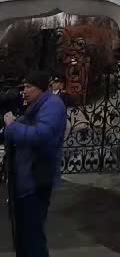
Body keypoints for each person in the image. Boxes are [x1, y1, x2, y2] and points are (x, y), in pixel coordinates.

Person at [3, 70, 67, 257]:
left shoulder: (53, 106)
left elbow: (40, 135)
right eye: (24, 87)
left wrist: (12, 126)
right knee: (23, 235)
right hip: (24, 180)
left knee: (33, 236)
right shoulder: (35, 106)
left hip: (36, 179)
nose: (25, 91)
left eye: (29, 86)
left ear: (40, 88)